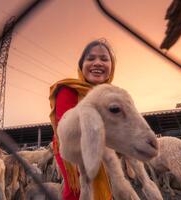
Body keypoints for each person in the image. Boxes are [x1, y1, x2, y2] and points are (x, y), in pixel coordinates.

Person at [49, 39, 115, 200]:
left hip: (100, 147)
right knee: (77, 190)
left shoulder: (111, 94)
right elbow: (69, 129)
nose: (97, 63)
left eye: (104, 59)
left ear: (112, 67)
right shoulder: (69, 90)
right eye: (90, 58)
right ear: (81, 65)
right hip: (72, 150)